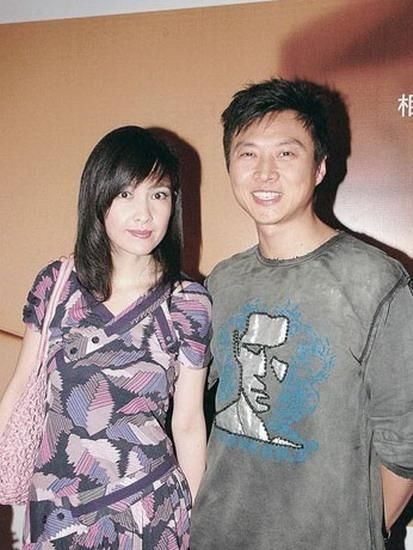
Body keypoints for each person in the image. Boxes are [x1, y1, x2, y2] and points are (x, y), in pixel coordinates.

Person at [190, 78, 413, 549]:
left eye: (286, 153)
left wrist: (359, 534)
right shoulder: (223, 282)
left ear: (319, 167)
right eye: (248, 154)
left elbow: (404, 450)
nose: (264, 173)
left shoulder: (375, 281)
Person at [0, 125, 211, 549]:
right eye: (126, 194)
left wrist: (194, 522)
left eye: (159, 194)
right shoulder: (57, 285)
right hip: (56, 511)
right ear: (99, 197)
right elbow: (20, 387)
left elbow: (188, 424)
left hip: (149, 508)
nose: (144, 214)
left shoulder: (187, 303)